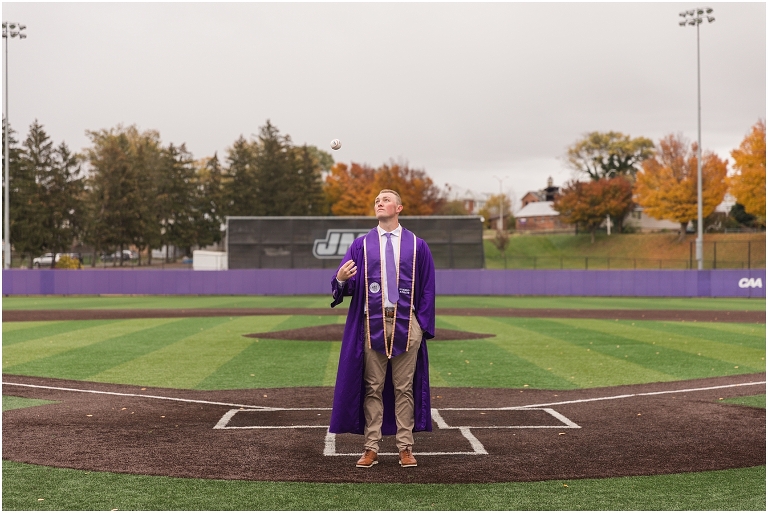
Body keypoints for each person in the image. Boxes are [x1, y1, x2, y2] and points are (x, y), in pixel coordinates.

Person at [329, 189, 435, 468]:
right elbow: (346, 284)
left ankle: (405, 448)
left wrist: (421, 325)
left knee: (404, 388)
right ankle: (371, 448)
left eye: (386, 199)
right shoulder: (362, 245)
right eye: (377, 200)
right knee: (372, 387)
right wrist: (340, 279)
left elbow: (427, 287)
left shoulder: (417, 246)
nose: (379, 202)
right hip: (371, 323)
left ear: (399, 208)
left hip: (406, 323)